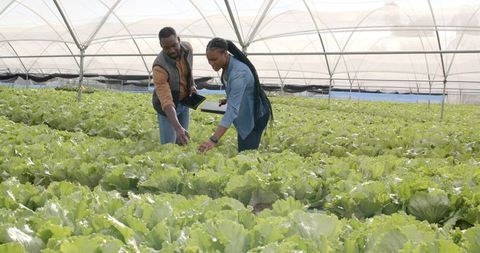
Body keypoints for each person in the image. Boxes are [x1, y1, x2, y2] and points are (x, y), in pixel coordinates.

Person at [198, 37, 273, 153]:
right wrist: (229, 99)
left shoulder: (239, 73)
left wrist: (213, 139)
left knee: (246, 154)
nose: (211, 63)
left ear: (225, 54)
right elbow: (240, 91)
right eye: (209, 60)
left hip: (254, 116)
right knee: (244, 150)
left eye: (214, 59)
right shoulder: (227, 66)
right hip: (246, 112)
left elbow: (232, 110)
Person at [152, 27, 196, 145]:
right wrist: (177, 128)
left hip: (183, 102)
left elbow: (188, 69)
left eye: (174, 45)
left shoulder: (188, 49)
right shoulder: (159, 67)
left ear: (179, 40)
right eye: (166, 47)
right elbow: (166, 102)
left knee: (183, 141)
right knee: (168, 146)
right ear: (161, 45)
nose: (171, 50)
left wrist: (191, 85)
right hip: (167, 109)